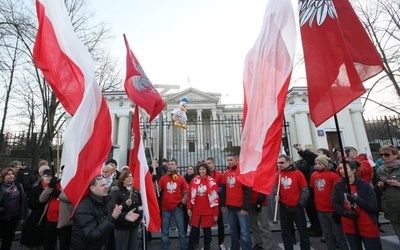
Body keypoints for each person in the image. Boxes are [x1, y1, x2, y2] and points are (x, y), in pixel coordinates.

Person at [70, 175, 140, 249]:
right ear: (92, 188)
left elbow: (110, 216)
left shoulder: (105, 200)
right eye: (102, 185)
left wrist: (124, 216)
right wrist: (112, 217)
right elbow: (92, 234)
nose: (106, 187)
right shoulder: (84, 208)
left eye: (106, 184)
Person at [332, 160, 382, 250]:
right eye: (340, 168)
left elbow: (374, 207)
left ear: (354, 170)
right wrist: (345, 213)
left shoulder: (365, 186)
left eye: (345, 168)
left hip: (366, 224)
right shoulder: (339, 186)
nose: (342, 171)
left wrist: (357, 200)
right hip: (349, 225)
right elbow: (335, 203)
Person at [310, 155, 348, 250]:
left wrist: (338, 208)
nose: (317, 165)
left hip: (333, 210)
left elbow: (339, 193)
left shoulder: (333, 175)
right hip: (320, 209)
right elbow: (313, 190)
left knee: (340, 235)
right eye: (316, 164)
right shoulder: (314, 175)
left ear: (326, 164)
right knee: (327, 234)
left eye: (320, 163)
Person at [274, 154, 310, 250]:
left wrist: (300, 204)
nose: (279, 165)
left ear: (289, 162)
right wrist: (276, 196)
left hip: (296, 206)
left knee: (302, 231)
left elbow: (305, 190)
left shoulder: (298, 173)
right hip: (284, 206)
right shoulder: (278, 175)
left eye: (282, 162)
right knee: (286, 232)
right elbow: (275, 188)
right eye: (278, 163)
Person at [220, 153, 252, 250]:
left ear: (236, 161)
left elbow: (247, 191)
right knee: (232, 230)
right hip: (230, 207)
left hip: (241, 207)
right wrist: (222, 204)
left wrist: (245, 207)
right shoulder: (225, 174)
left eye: (231, 160)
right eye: (228, 160)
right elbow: (224, 190)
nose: (229, 162)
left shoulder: (242, 173)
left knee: (245, 232)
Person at [293, 143, 323, 237]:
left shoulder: (313, 161)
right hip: (308, 188)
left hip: (313, 190)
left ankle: (317, 229)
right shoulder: (307, 161)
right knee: (309, 209)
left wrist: (302, 152)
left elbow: (302, 166)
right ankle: (314, 226)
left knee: (312, 210)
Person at [187, 162, 219, 250]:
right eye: (200, 169)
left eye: (203, 169)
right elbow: (189, 195)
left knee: (207, 231)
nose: (201, 171)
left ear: (206, 170)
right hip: (196, 210)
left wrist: (215, 213)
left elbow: (215, 198)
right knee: (193, 231)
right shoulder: (194, 180)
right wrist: (189, 207)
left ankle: (207, 247)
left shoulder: (212, 181)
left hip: (208, 210)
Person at [158, 159, 188, 250]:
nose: (170, 166)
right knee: (165, 231)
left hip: (177, 207)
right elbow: (157, 191)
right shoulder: (163, 178)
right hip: (165, 208)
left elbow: (186, 192)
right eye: (169, 164)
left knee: (181, 230)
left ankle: (184, 247)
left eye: (172, 164)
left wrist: (182, 202)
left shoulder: (181, 178)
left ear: (176, 166)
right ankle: (164, 247)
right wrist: (154, 181)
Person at [20, 169, 53, 249]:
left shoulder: (54, 189)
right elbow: (30, 204)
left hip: (49, 219)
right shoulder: (36, 189)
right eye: (46, 176)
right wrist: (40, 201)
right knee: (34, 241)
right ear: (42, 177)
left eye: (51, 176)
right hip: (37, 218)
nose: (49, 178)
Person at [110, 170, 143, 250]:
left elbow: (139, 206)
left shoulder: (135, 191)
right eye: (127, 177)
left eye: (131, 176)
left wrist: (141, 217)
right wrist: (124, 205)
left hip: (134, 225)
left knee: (132, 247)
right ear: (122, 179)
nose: (130, 178)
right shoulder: (117, 192)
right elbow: (113, 209)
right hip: (122, 226)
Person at [376, 145, 400, 244]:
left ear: (395, 155)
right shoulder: (380, 170)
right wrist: (379, 185)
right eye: (381, 155)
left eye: (387, 155)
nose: (383, 157)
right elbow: (377, 184)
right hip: (391, 207)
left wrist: (398, 184)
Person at [0, 167, 27, 250]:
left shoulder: (18, 185)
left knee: (8, 239)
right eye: (8, 174)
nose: (11, 176)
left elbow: (22, 201)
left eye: (12, 174)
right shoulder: (1, 186)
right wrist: (5, 193)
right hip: (1, 216)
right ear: (3, 176)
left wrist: (22, 217)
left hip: (13, 217)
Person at [38, 170, 62, 250]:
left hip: (63, 221)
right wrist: (50, 187)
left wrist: (60, 195)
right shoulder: (54, 184)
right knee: (49, 245)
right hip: (50, 219)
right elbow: (42, 199)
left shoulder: (67, 184)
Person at [206, 157, 226, 250]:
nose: (207, 165)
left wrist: (215, 191)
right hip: (206, 203)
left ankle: (221, 242)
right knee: (207, 225)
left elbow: (223, 188)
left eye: (209, 163)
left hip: (217, 203)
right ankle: (207, 243)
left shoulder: (219, 174)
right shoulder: (204, 174)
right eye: (206, 163)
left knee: (220, 223)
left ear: (214, 164)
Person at [183, 165, 196, 236]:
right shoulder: (183, 179)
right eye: (188, 169)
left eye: (191, 169)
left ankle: (194, 238)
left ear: (194, 171)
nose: (189, 170)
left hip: (194, 203)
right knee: (185, 221)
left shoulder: (195, 179)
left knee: (194, 223)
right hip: (185, 203)